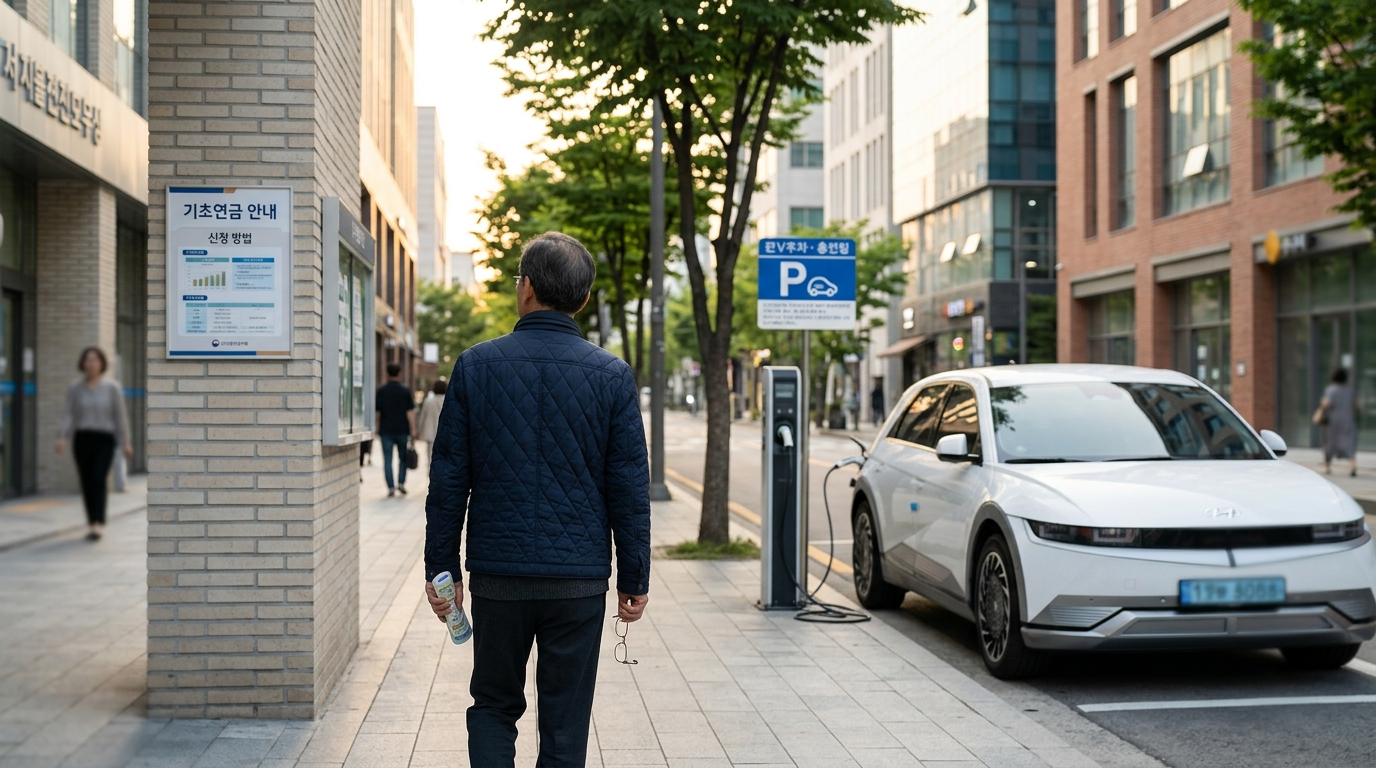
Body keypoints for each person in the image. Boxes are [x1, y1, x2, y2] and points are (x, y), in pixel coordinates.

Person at [425, 231, 651, 767]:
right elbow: (629, 486)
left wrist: (443, 569)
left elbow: (449, 479)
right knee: (566, 722)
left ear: (525, 288)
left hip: (499, 576)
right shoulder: (613, 377)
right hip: (578, 579)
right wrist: (634, 579)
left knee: (494, 706)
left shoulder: (476, 366)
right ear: (585, 298)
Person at [56, 347, 132, 541]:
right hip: (82, 439)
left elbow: (120, 416)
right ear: (82, 364)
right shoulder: (75, 388)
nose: (91, 364)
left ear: (102, 363)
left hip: (105, 440)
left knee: (98, 479)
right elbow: (67, 414)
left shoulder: (112, 387)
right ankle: (92, 522)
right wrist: (62, 437)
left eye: (95, 360)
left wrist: (126, 442)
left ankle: (99, 523)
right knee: (87, 481)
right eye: (88, 360)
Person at [375, 363, 415, 497]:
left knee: (387, 459)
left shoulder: (382, 390)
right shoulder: (405, 390)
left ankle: (391, 487)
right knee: (402, 458)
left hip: (386, 429)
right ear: (399, 373)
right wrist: (413, 429)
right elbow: (410, 411)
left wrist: (376, 427)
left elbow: (378, 412)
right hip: (402, 429)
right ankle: (401, 483)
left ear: (387, 373)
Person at [1316, 368, 1357, 476]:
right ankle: (1352, 467)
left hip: (1333, 422)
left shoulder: (1331, 390)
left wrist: (1320, 410)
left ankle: (1327, 467)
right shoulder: (1350, 390)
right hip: (1348, 420)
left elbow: (1326, 404)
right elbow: (1355, 404)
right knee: (1349, 443)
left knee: (1329, 443)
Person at [417, 378, 446, 464]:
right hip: (445, 433)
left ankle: (430, 474)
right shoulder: (448, 401)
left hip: (430, 432)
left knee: (430, 456)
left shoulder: (428, 401)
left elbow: (422, 417)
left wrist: (419, 431)